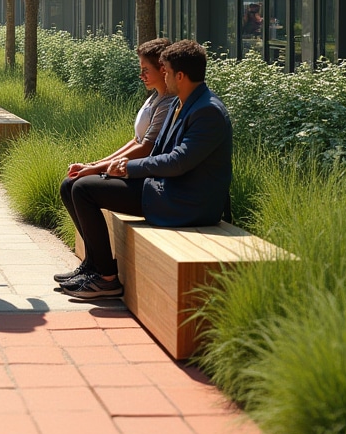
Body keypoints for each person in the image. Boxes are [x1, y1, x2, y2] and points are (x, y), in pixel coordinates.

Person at [57, 39, 233, 300]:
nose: (164, 76)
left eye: (167, 72)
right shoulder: (180, 102)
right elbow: (159, 151)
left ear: (180, 76)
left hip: (186, 202)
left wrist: (126, 168)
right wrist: (104, 168)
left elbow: (177, 162)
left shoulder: (208, 111)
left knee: (84, 189)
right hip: (165, 187)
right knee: (71, 184)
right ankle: (94, 267)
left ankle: (106, 279)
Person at [61, 38, 177, 184]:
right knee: (70, 184)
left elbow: (146, 147)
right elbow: (136, 140)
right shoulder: (154, 97)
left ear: (162, 69)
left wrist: (97, 168)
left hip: (143, 174)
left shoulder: (167, 103)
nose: (141, 76)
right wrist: (95, 164)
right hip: (131, 168)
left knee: (77, 186)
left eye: (145, 70)